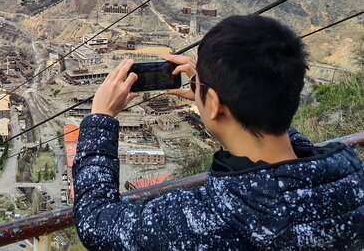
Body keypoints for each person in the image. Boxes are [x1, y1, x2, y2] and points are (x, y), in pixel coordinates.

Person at [73, 14, 364, 250]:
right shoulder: (351, 180)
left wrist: (101, 118)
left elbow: (96, 222)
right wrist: (215, 94)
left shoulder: (205, 221)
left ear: (213, 104)